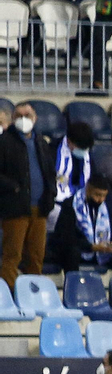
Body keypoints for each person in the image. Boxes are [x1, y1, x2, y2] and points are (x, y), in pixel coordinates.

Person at [0, 101, 52, 288]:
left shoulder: (41, 142)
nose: (23, 119)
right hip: (15, 207)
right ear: (13, 119)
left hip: (40, 207)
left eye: (27, 115)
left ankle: (32, 295)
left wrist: (50, 193)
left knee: (37, 255)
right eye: (18, 116)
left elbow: (49, 171)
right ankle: (6, 296)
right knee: (12, 255)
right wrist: (13, 187)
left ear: (35, 118)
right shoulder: (4, 141)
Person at [47, 175, 112, 276]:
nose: (100, 199)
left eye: (104, 196)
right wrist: (92, 247)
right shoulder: (70, 204)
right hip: (81, 250)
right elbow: (66, 238)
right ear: (88, 189)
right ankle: (74, 287)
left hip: (104, 251)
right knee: (71, 253)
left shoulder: (109, 206)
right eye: (97, 195)